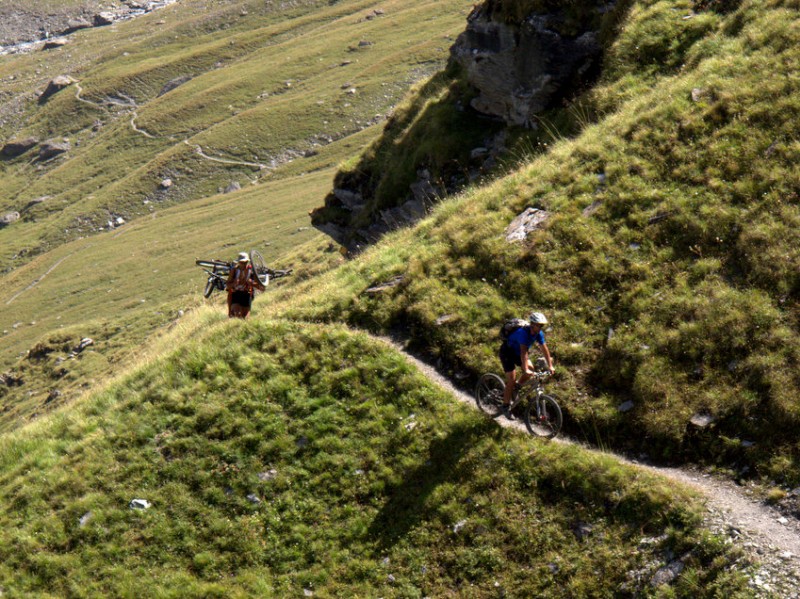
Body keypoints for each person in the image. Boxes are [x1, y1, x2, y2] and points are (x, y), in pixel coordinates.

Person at [498, 312, 555, 419]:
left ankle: (516, 388)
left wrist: (550, 366)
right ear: (532, 324)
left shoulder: (539, 333)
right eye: (539, 325)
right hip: (507, 353)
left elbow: (544, 349)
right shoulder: (522, 333)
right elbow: (524, 352)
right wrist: (525, 369)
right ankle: (505, 406)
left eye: (542, 326)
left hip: (518, 354)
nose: (540, 327)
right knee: (511, 379)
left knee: (531, 369)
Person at [226, 252, 265, 319]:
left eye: (245, 262)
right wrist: (234, 283)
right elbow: (227, 285)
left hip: (247, 294)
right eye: (242, 262)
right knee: (236, 313)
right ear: (239, 262)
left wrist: (252, 283)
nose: (244, 264)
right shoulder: (234, 270)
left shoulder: (252, 270)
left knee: (245, 317)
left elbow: (261, 287)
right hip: (236, 294)